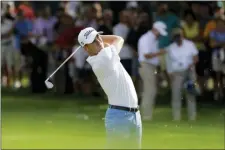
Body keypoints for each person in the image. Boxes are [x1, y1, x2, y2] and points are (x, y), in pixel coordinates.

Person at [78, 27, 142, 149]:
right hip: (120, 117)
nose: (98, 41)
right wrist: (96, 38)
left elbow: (110, 42)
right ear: (86, 48)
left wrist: (93, 37)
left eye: (98, 37)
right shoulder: (103, 60)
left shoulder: (103, 54)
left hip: (134, 114)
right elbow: (118, 39)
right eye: (94, 41)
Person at [151, 28, 199, 121]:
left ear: (182, 35)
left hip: (189, 71)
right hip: (177, 73)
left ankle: (192, 117)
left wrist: (192, 64)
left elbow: (196, 57)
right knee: (176, 95)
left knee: (190, 94)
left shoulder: (190, 45)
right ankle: (176, 117)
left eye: (179, 35)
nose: (178, 38)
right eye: (176, 36)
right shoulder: (171, 47)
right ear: (173, 38)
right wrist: (170, 74)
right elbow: (168, 62)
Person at [138, 21, 167, 120]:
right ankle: (146, 116)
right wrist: (160, 53)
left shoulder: (153, 39)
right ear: (156, 30)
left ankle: (147, 115)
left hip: (151, 66)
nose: (160, 35)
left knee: (151, 91)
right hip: (146, 66)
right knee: (149, 91)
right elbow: (146, 55)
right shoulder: (146, 38)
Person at [209, 17, 225, 101]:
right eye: (218, 24)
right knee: (217, 76)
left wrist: (217, 43)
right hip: (216, 56)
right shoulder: (213, 33)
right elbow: (212, 44)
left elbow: (215, 44)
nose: (220, 25)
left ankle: (222, 92)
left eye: (222, 24)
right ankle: (218, 92)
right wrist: (222, 43)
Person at [113, 10, 133, 75]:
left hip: (131, 55)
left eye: (127, 16)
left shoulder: (131, 27)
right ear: (120, 17)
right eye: (125, 16)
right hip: (122, 56)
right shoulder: (117, 27)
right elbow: (120, 41)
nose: (126, 18)